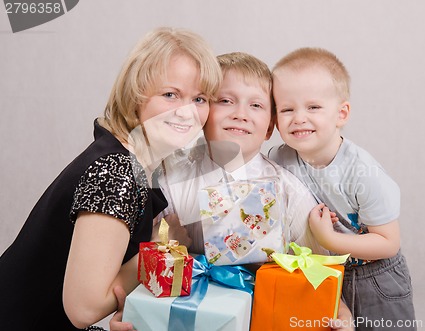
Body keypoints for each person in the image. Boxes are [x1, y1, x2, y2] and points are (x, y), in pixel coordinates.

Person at [110, 51, 353, 331]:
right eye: (225, 101)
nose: (240, 114)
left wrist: (341, 312)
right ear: (203, 114)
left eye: (256, 105)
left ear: (270, 128)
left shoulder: (288, 191)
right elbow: (144, 265)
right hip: (185, 317)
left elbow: (323, 268)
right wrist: (131, 311)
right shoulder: (169, 179)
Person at [0, 27, 222, 330]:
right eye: (170, 94)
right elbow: (85, 308)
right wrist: (162, 246)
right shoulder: (117, 172)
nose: (187, 112)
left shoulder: (132, 160)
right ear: (135, 97)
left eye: (199, 99)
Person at [269, 47, 416, 330]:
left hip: (375, 276)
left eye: (313, 107)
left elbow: (388, 242)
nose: (298, 117)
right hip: (321, 272)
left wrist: (330, 238)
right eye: (287, 109)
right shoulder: (280, 159)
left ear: (341, 113)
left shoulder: (363, 172)